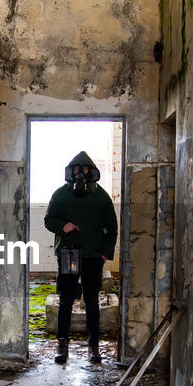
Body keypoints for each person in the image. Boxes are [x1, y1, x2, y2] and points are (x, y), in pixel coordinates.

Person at [43, 151, 117, 364]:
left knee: (92, 300)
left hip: (94, 257)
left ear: (91, 172)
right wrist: (62, 226)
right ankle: (62, 343)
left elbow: (111, 228)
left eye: (85, 169)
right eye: (77, 169)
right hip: (69, 254)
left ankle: (93, 346)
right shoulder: (60, 195)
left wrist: (105, 253)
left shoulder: (101, 197)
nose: (81, 174)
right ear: (71, 172)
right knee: (66, 299)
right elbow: (49, 220)